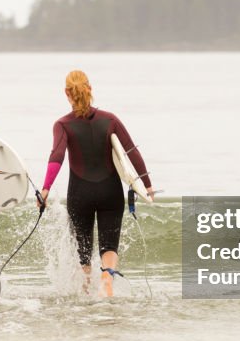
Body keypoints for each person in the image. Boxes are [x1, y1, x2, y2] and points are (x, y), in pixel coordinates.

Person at [39, 70, 154, 296]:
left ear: (66, 93)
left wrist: (45, 190)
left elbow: (57, 156)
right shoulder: (110, 119)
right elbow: (131, 151)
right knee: (109, 246)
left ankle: (85, 295)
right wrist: (147, 185)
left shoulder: (62, 124)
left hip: (80, 194)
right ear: (90, 89)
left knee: (83, 253)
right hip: (109, 192)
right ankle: (106, 281)